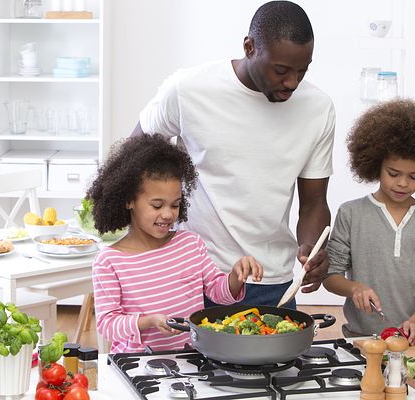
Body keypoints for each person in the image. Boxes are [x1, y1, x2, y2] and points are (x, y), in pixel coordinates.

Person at [131, 1, 335, 309]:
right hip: (192, 273)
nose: (292, 82)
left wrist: (312, 247)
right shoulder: (188, 89)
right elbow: (133, 159)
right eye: (281, 70)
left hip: (271, 281)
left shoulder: (318, 109)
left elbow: (314, 202)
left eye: (302, 71)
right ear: (250, 47)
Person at [88, 134, 263, 353]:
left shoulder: (189, 244)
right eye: (157, 205)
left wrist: (236, 277)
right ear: (129, 200)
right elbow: (107, 325)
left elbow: (218, 293)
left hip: (190, 358)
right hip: (137, 365)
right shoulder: (109, 261)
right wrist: (148, 321)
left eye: (175, 205)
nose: (168, 214)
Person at [323, 99, 415, 345]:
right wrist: (355, 288)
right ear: (376, 165)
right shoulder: (351, 214)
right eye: (393, 174)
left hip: (414, 340)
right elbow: (331, 277)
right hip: (361, 340)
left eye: (413, 176)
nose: (403, 183)